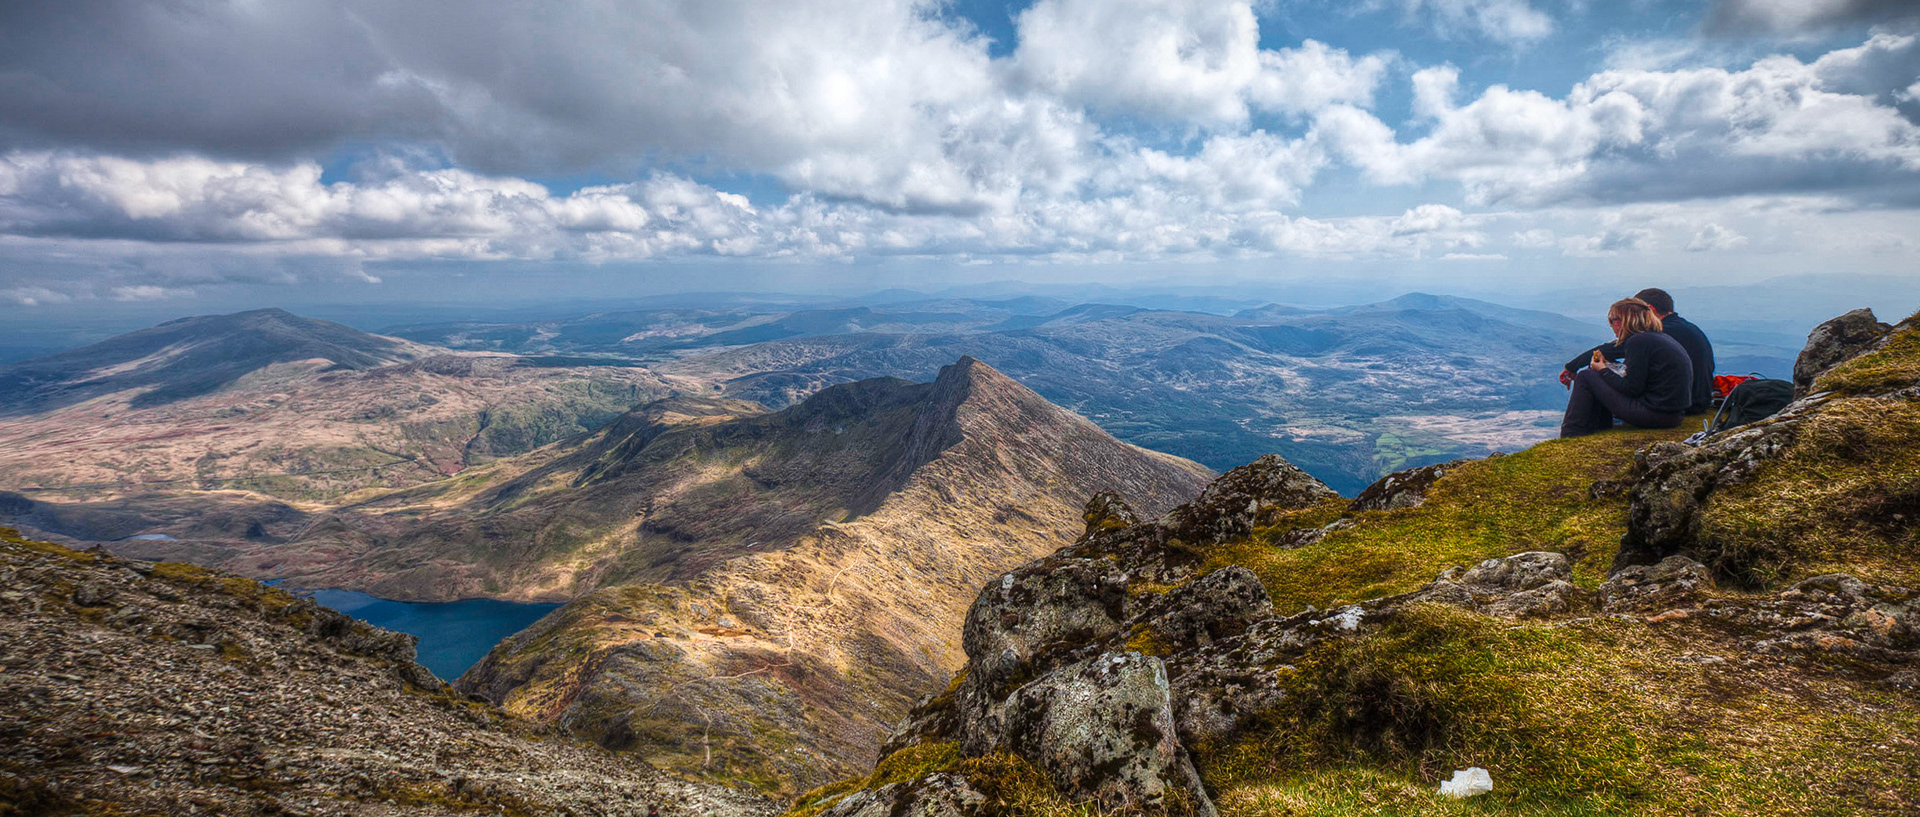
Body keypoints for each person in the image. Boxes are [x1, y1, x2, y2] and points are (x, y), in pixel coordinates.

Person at [1561, 287, 1715, 415]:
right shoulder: (1683, 327)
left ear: (1649, 309)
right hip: (1695, 399)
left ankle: (1578, 430)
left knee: (1589, 375)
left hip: (1680, 405)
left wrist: (1572, 367)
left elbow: (1610, 351)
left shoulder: (1657, 333)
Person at [1560, 298, 1693, 438]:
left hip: (1656, 415)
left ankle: (1571, 434)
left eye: (1612, 320)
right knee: (1594, 374)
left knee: (1586, 376)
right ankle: (1599, 430)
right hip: (1672, 414)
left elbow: (1631, 388)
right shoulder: (1656, 338)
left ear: (1624, 320)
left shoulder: (1638, 342)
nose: (1610, 325)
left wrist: (1602, 369)